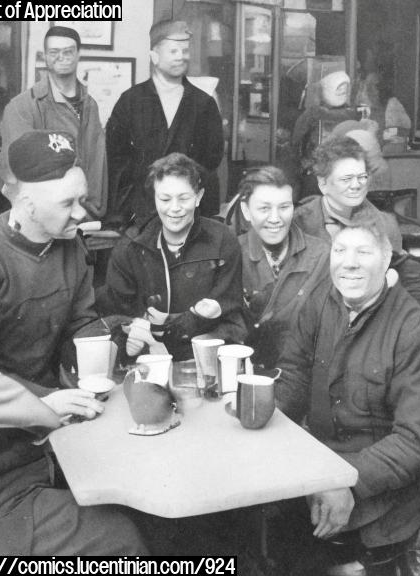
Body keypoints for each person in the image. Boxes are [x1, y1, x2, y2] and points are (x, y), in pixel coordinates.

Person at [0, 130, 146, 555]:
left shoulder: (71, 249)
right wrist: (42, 404)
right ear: (25, 204)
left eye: (82, 199)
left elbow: (82, 326)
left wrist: (118, 342)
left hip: (52, 434)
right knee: (116, 540)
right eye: (68, 204)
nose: (83, 213)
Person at [274, 220, 420, 575]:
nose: (349, 263)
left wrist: (348, 483)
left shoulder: (414, 329)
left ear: (387, 264)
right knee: (250, 526)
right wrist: (266, 409)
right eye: (340, 251)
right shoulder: (322, 303)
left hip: (382, 488)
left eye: (363, 252)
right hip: (320, 466)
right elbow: (294, 372)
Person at [97, 153, 245, 361]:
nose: (174, 208)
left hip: (203, 355)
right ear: (155, 197)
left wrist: (185, 323)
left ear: (199, 196)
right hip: (147, 358)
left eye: (184, 198)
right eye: (165, 199)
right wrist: (133, 332)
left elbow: (231, 311)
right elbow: (115, 316)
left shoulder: (223, 240)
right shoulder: (130, 247)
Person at [292, 136, 420, 315]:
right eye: (346, 179)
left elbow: (409, 275)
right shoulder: (299, 223)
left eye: (362, 177)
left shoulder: (383, 223)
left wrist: (416, 318)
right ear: (323, 183)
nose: (356, 185)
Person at [106, 19, 224, 228]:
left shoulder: (204, 104)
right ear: (154, 56)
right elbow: (116, 161)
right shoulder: (130, 101)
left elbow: (211, 162)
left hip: (189, 215)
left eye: (185, 50)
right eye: (173, 51)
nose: (181, 56)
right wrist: (127, 211)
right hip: (140, 216)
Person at [0, 26, 108, 221]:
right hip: (41, 216)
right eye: (54, 52)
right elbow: (14, 171)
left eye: (68, 52)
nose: (62, 57)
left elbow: (97, 165)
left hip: (84, 216)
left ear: (78, 55)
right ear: (45, 57)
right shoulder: (22, 107)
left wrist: (88, 213)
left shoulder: (90, 105)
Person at [237, 166, 329, 369]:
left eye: (284, 207)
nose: (275, 218)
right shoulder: (232, 254)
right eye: (264, 208)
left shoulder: (322, 255)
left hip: (302, 373)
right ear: (246, 210)